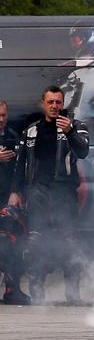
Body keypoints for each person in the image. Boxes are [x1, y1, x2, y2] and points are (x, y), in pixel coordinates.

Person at [8, 86, 89, 305]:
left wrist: (70, 131)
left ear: (63, 104)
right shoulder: (31, 131)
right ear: (43, 103)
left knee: (70, 242)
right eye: (50, 102)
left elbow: (83, 151)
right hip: (38, 193)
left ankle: (72, 293)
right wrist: (15, 191)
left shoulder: (76, 126)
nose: (54, 106)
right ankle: (37, 293)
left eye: (58, 102)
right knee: (35, 242)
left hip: (64, 193)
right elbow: (20, 164)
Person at [0, 101, 31, 304]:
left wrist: (16, 192)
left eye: (3, 115)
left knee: (11, 243)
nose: (1, 119)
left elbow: (20, 169)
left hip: (6, 198)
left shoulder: (13, 136)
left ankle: (12, 289)